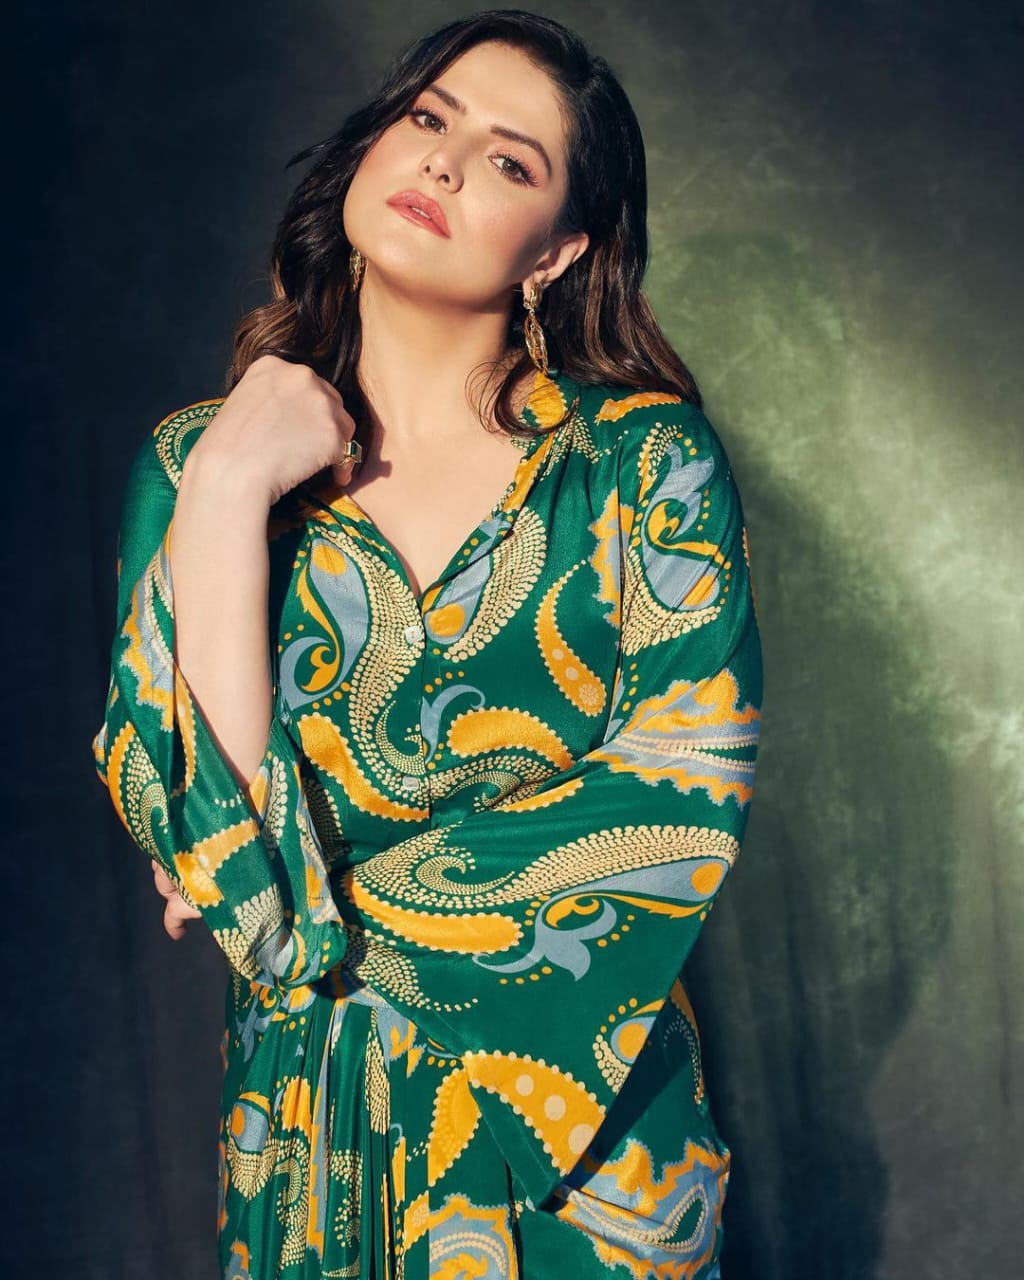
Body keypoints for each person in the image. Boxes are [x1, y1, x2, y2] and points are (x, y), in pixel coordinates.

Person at [91, 10, 763, 1278]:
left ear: (557, 250)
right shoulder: (194, 468)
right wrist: (231, 487)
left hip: (584, 1160)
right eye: (427, 118)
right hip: (308, 1146)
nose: (444, 162)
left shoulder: (640, 467)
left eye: (508, 159)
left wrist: (308, 893)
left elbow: (680, 784)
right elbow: (231, 883)